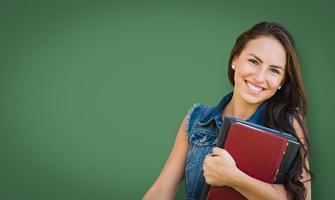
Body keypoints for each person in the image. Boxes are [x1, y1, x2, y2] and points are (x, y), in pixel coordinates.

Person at [143, 22, 312, 200]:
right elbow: (160, 191)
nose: (260, 77)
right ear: (235, 59)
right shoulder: (197, 120)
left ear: (282, 82)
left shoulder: (289, 123)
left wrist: (234, 178)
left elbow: (303, 198)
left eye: (274, 71)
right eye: (254, 61)